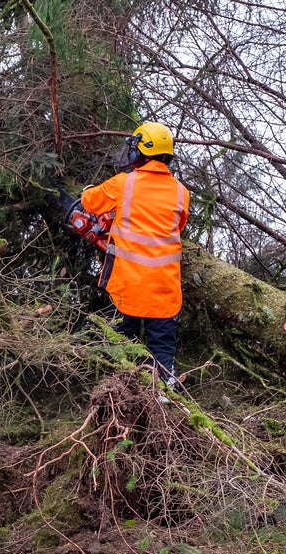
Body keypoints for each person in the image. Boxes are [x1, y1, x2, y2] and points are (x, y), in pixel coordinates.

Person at [80, 121, 190, 384]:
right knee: (163, 354)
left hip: (126, 287)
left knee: (119, 351)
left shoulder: (123, 184)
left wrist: (88, 193)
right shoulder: (181, 192)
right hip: (164, 289)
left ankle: (115, 405)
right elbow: (178, 225)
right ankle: (166, 403)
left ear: (139, 152)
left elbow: (89, 202)